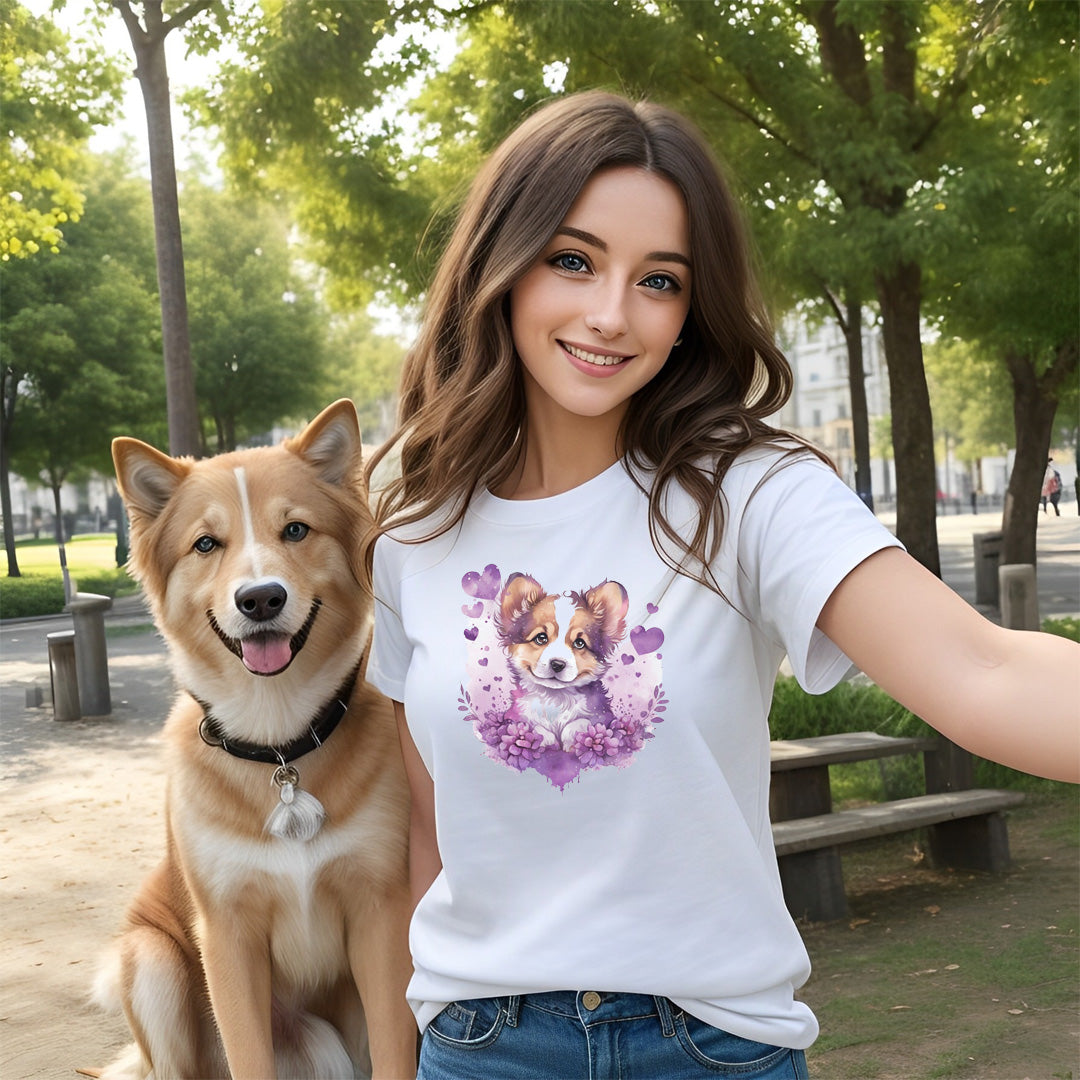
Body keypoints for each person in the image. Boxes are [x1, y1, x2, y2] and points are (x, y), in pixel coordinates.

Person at [363, 91, 1079, 1079]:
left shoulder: (748, 488)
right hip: (483, 1044)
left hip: (707, 1047)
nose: (611, 314)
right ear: (501, 264)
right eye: (572, 260)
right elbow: (432, 836)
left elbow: (983, 669)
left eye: (658, 280)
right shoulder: (412, 514)